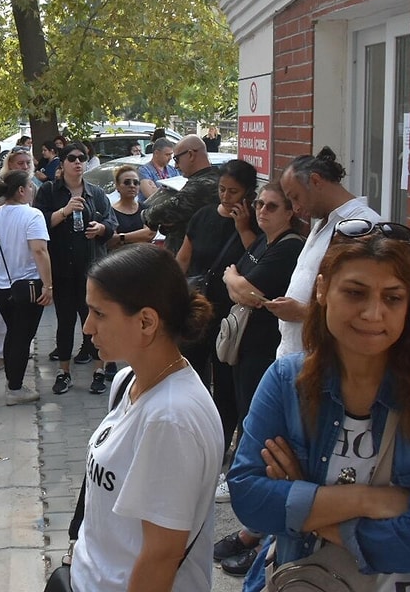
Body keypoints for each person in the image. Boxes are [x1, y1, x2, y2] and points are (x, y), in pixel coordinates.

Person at [226, 223, 410, 592]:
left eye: (392, 298)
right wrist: (368, 499)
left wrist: (303, 502)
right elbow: (249, 498)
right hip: (304, 579)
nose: (373, 314)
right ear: (323, 289)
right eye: (355, 293)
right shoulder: (285, 381)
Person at [70, 245, 223, 592]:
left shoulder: (171, 420)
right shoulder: (129, 381)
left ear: (146, 322)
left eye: (99, 313)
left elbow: (161, 558)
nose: (88, 327)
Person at [211, 181, 304, 575]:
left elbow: (248, 288)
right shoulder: (261, 242)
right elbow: (233, 279)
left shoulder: (290, 246)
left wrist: (236, 279)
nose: (262, 211)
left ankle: (259, 527)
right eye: (260, 204)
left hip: (268, 350)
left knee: (258, 427)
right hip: (244, 348)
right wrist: (237, 281)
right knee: (241, 414)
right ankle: (258, 528)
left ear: (289, 212)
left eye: (272, 206)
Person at [268, 147, 379, 357]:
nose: (296, 208)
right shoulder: (323, 223)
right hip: (296, 355)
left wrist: (302, 312)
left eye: (296, 197)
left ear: (316, 181)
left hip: (324, 362)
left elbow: (361, 304)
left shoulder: (362, 225)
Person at [175, 159, 257, 425]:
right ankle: (191, 424)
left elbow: (257, 259)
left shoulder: (254, 221)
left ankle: (221, 435)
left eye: (233, 191)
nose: (225, 196)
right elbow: (184, 259)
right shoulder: (203, 215)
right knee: (191, 371)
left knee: (225, 382)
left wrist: (243, 228)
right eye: (222, 189)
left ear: (247, 192)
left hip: (231, 314)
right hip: (198, 307)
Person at [34, 143, 117, 395]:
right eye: (72, 158)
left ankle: (98, 371)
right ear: (62, 163)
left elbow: (110, 223)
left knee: (94, 322)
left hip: (91, 271)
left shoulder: (96, 193)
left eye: (83, 158)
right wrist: (64, 211)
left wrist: (100, 229)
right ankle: (64, 372)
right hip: (62, 270)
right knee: (65, 322)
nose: (78, 162)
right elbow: (40, 224)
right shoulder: (49, 191)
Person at [0, 170, 53, 405]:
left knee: (12, 333)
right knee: (22, 337)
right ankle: (15, 388)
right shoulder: (33, 215)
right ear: (21, 190)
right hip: (28, 286)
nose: (33, 190)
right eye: (30, 187)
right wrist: (48, 285)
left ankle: (13, 382)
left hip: (2, 287)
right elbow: (39, 251)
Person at [142, 135, 220, 254]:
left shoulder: (202, 185)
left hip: (191, 261)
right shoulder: (213, 179)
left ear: (190, 155)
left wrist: (147, 214)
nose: (176, 166)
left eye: (177, 159)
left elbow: (155, 214)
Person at [110, 165, 154, 249]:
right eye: (127, 182)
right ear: (117, 186)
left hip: (143, 256)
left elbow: (149, 234)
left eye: (136, 182)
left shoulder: (146, 208)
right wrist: (140, 236)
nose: (132, 185)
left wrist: (121, 237)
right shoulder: (111, 212)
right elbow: (112, 242)